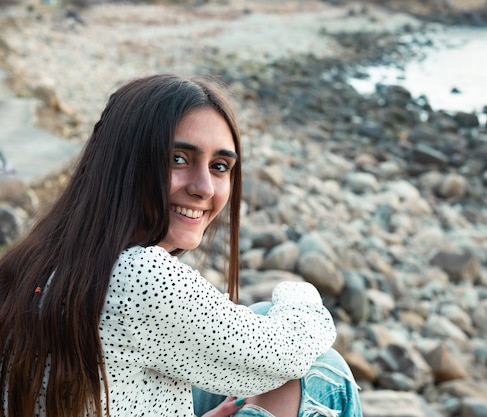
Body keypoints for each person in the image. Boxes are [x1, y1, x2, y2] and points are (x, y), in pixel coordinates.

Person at [0, 74, 362, 417]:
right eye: (178, 159)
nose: (204, 187)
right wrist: (300, 293)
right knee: (325, 374)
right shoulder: (139, 275)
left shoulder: (41, 257)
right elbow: (289, 355)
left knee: (265, 315)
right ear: (125, 163)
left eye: (220, 166)